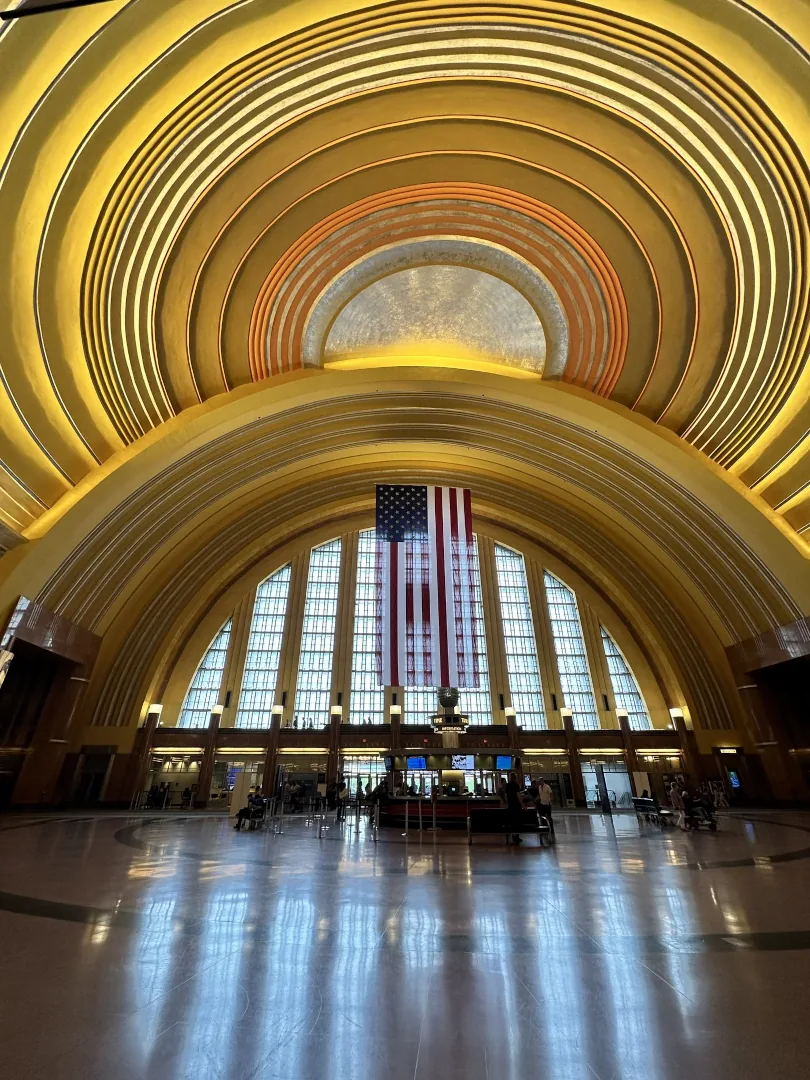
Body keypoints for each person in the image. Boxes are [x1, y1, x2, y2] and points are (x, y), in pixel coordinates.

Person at [504, 770, 524, 844]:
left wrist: (507, 803)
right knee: (517, 821)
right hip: (517, 806)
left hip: (510, 805)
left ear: (510, 777)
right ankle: (517, 836)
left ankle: (512, 835)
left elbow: (506, 796)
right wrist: (523, 806)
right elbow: (519, 796)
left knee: (511, 821)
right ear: (515, 777)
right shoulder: (516, 785)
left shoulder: (507, 785)